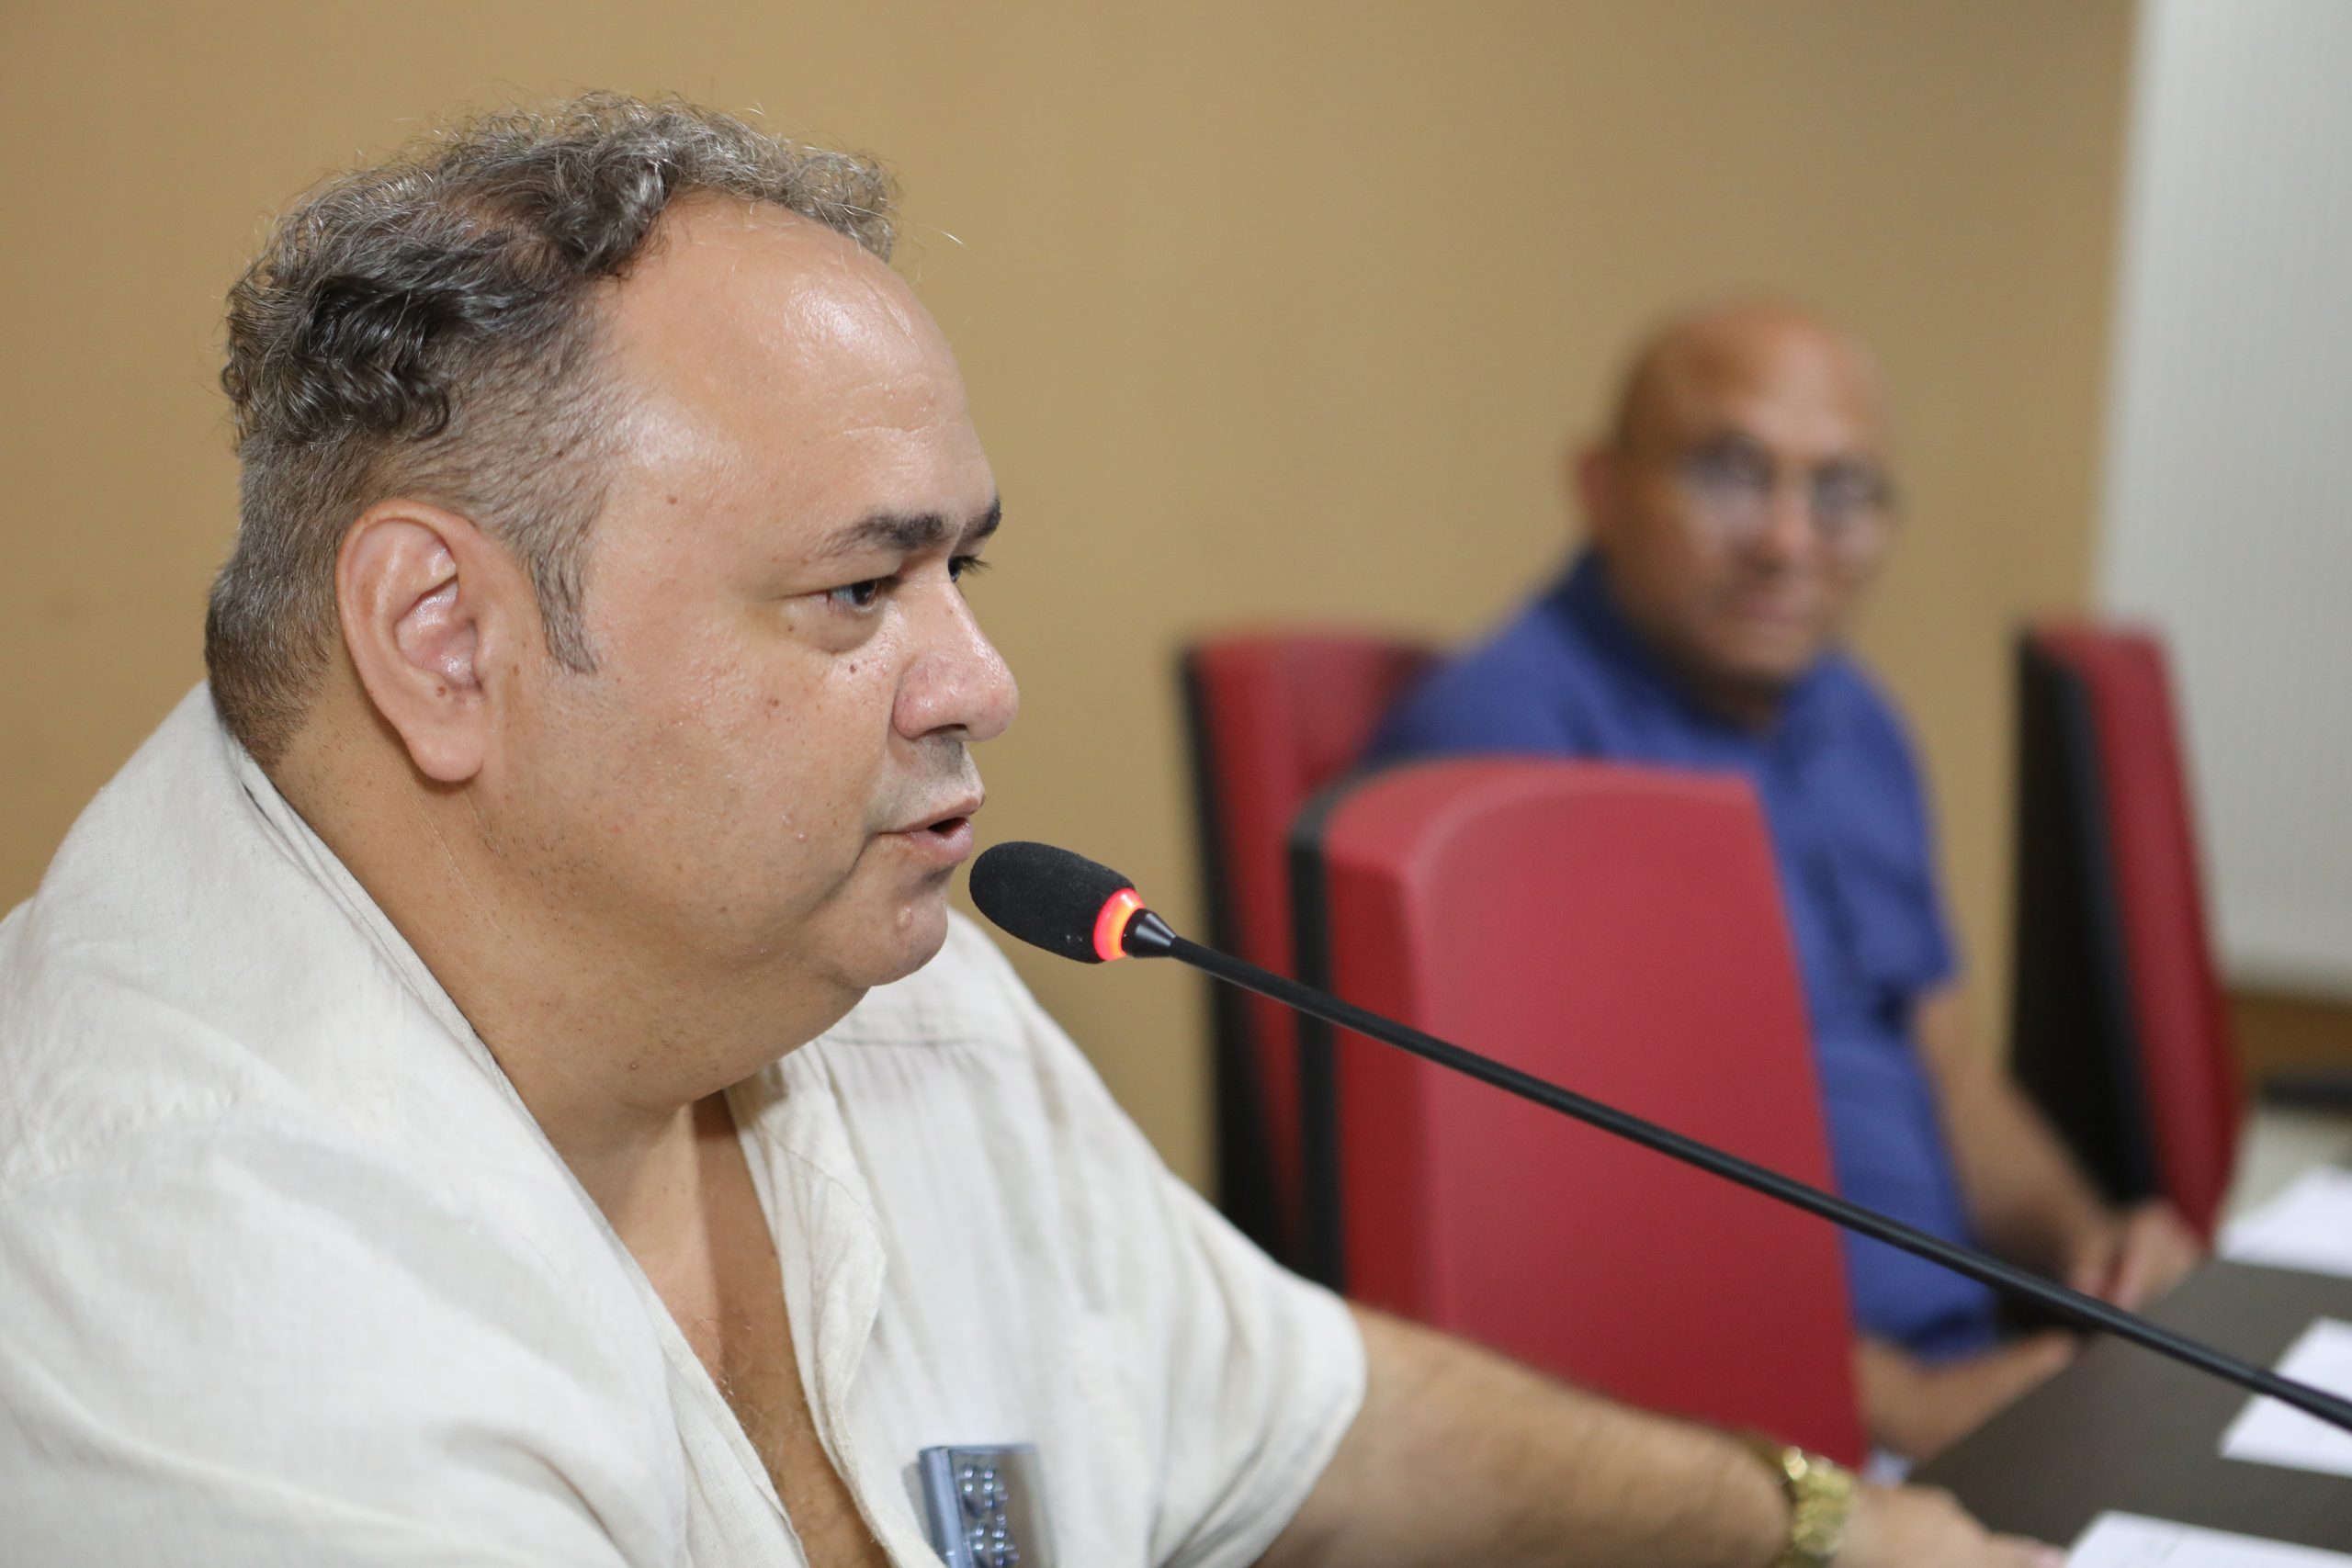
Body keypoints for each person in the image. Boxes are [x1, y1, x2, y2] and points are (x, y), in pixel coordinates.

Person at [0, 96, 2052, 1565]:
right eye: (857, 593)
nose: (977, 680)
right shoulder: (172, 1287)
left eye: (960, 571)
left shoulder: (854, 967)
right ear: (444, 638)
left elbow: (1302, 1414)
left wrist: (1817, 1523)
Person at [1363, 300, 2204, 1461]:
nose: (1787, 540)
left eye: (1842, 492)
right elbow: (1556, 1237)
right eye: (1729, 474)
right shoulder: (1506, 753)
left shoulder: (1856, 717)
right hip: (1733, 1444)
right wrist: (1898, 1407)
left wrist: (2092, 1250)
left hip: (1961, 1380)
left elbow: (1949, 1073)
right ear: (1600, 486)